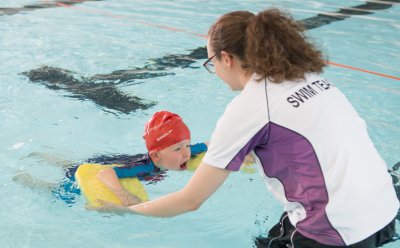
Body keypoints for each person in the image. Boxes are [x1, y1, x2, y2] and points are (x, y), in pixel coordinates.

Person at [93, 8, 400, 248]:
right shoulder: (306, 76)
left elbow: (190, 200)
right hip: (385, 211)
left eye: (211, 62)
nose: (214, 70)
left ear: (226, 58)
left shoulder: (249, 107)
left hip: (336, 232)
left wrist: (123, 212)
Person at [13, 111, 208, 206]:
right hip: (98, 167)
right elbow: (105, 173)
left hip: (110, 158)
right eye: (178, 149)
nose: (186, 154)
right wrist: (124, 195)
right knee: (62, 195)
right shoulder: (143, 168)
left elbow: (207, 145)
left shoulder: (180, 152)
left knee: (70, 165)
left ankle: (46, 156)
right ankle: (28, 180)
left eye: (187, 145)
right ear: (156, 155)